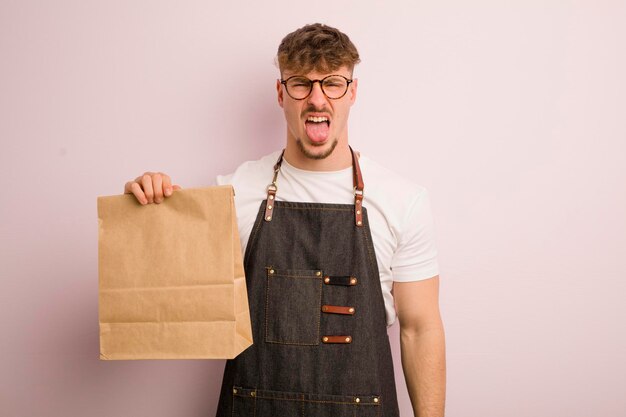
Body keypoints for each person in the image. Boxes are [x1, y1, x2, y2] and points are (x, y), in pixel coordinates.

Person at [124, 23, 446, 417]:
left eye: (332, 83)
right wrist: (146, 210)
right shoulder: (233, 193)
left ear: (352, 92)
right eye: (300, 84)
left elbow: (420, 330)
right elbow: (170, 299)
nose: (317, 99)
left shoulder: (402, 201)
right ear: (281, 93)